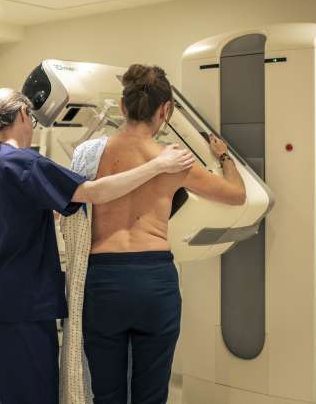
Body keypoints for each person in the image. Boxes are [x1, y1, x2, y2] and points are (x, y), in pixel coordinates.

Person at [0, 88, 195, 404]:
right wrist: (158, 165)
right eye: (32, 119)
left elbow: (18, 214)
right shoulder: (24, 162)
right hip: (23, 302)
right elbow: (94, 192)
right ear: (23, 115)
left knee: (5, 394)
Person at [60, 65, 246, 404]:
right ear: (165, 110)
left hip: (104, 283)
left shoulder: (89, 155)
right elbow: (237, 195)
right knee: (152, 394)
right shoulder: (174, 161)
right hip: (153, 282)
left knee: (106, 395)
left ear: (122, 105)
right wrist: (224, 156)